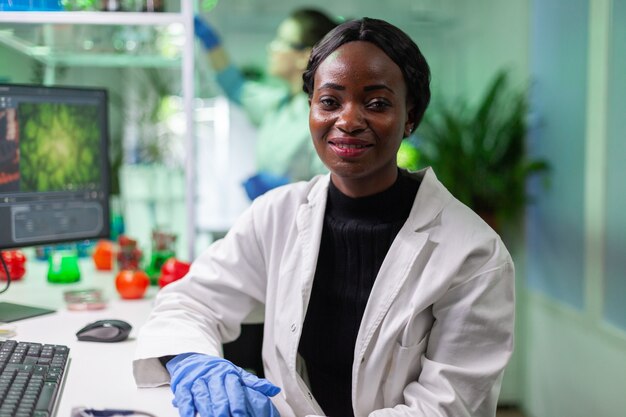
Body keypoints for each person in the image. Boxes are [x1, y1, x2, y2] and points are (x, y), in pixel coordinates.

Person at [133, 17, 515, 417]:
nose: (348, 121)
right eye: (330, 102)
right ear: (311, 108)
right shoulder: (276, 215)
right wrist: (195, 362)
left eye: (377, 103)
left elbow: (445, 407)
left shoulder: (473, 254)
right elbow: (189, 302)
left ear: (410, 117)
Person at [194, 9, 338, 198]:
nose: (272, 47)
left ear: (304, 55)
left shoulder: (322, 117)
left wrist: (289, 188)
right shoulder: (278, 104)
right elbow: (234, 85)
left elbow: (333, 188)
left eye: (281, 41)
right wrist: (210, 42)